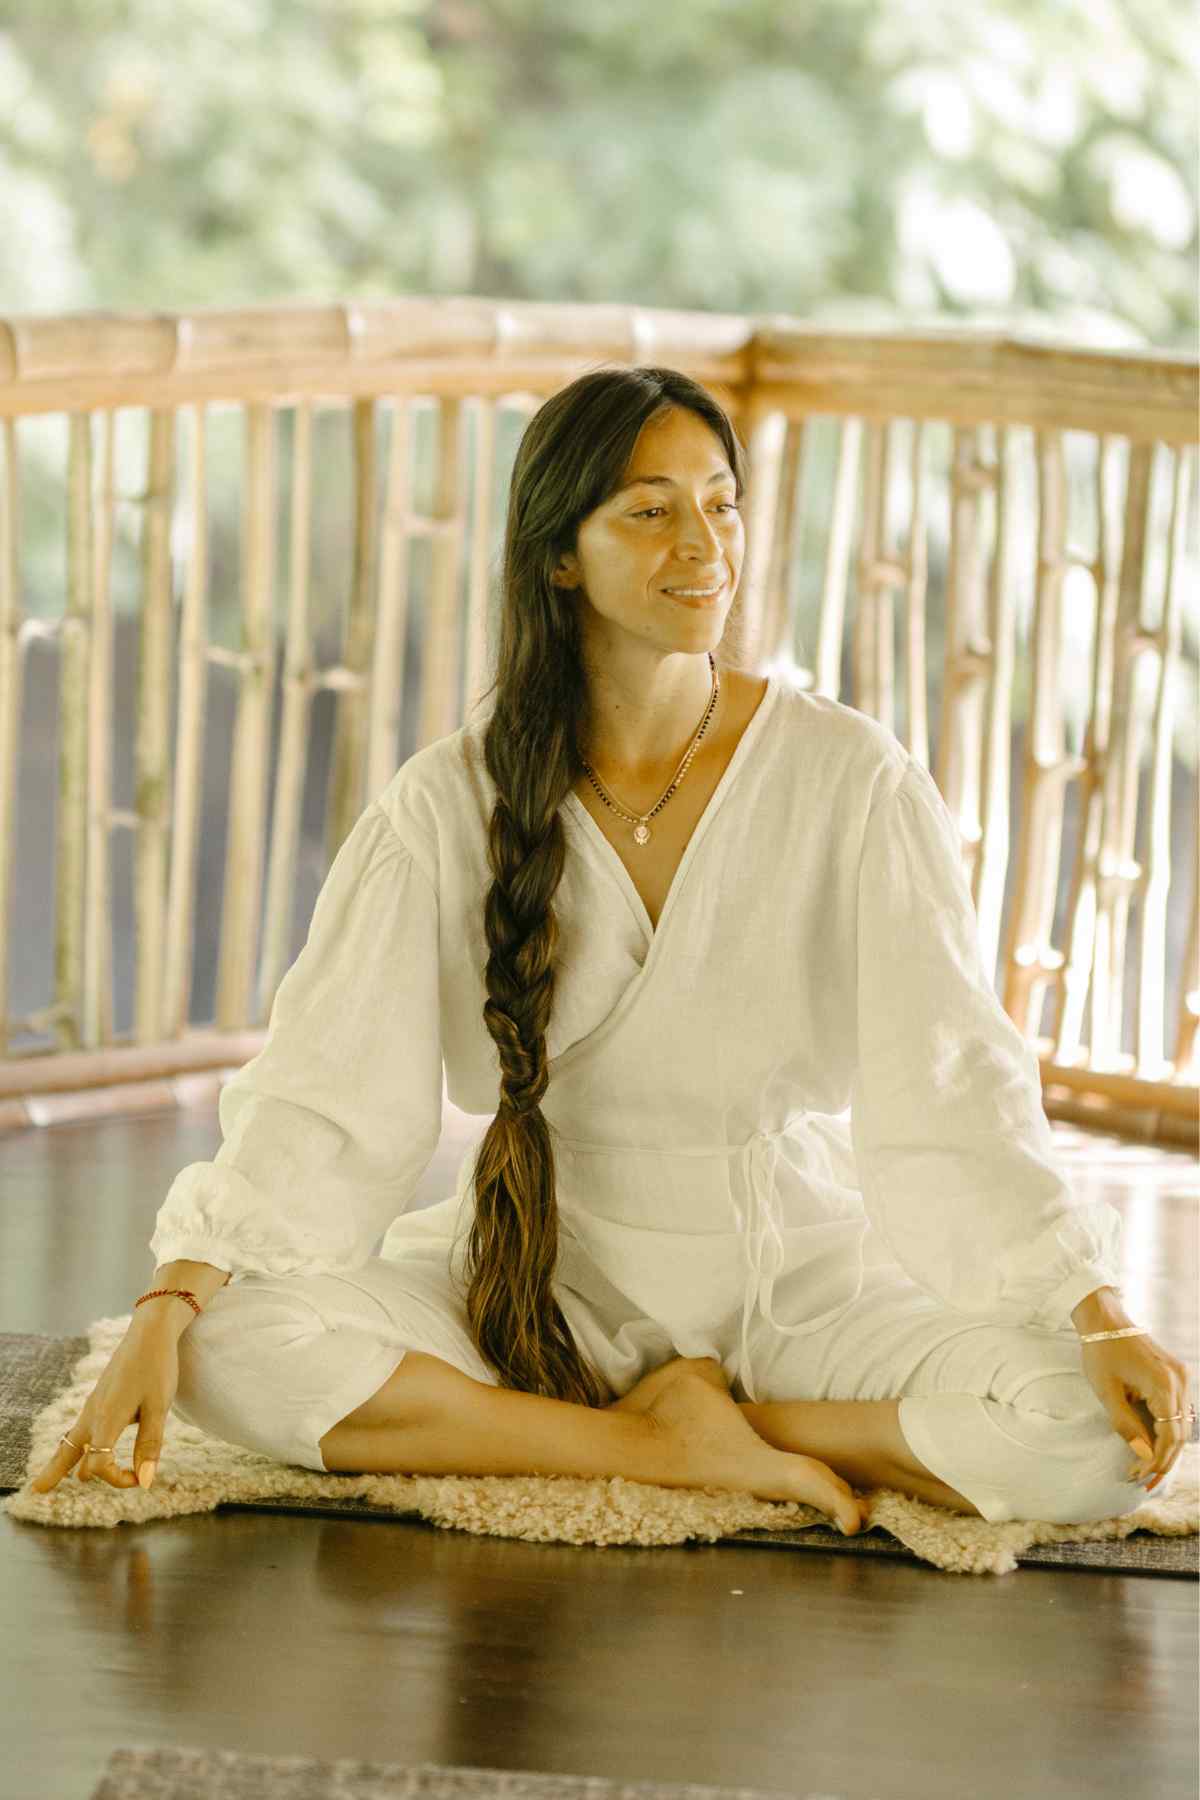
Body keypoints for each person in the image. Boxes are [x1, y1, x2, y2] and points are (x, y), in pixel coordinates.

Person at [30, 367, 1193, 1535]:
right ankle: (656, 1443)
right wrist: (175, 1297)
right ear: (559, 555)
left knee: (1085, 1433)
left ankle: (730, 1431)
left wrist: (1085, 1305)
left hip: (792, 1289)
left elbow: (955, 1089)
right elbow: (322, 1097)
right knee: (234, 1347)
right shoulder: (446, 802)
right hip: (535, 1286)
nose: (704, 543)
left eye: (722, 503)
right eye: (650, 510)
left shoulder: (850, 779)